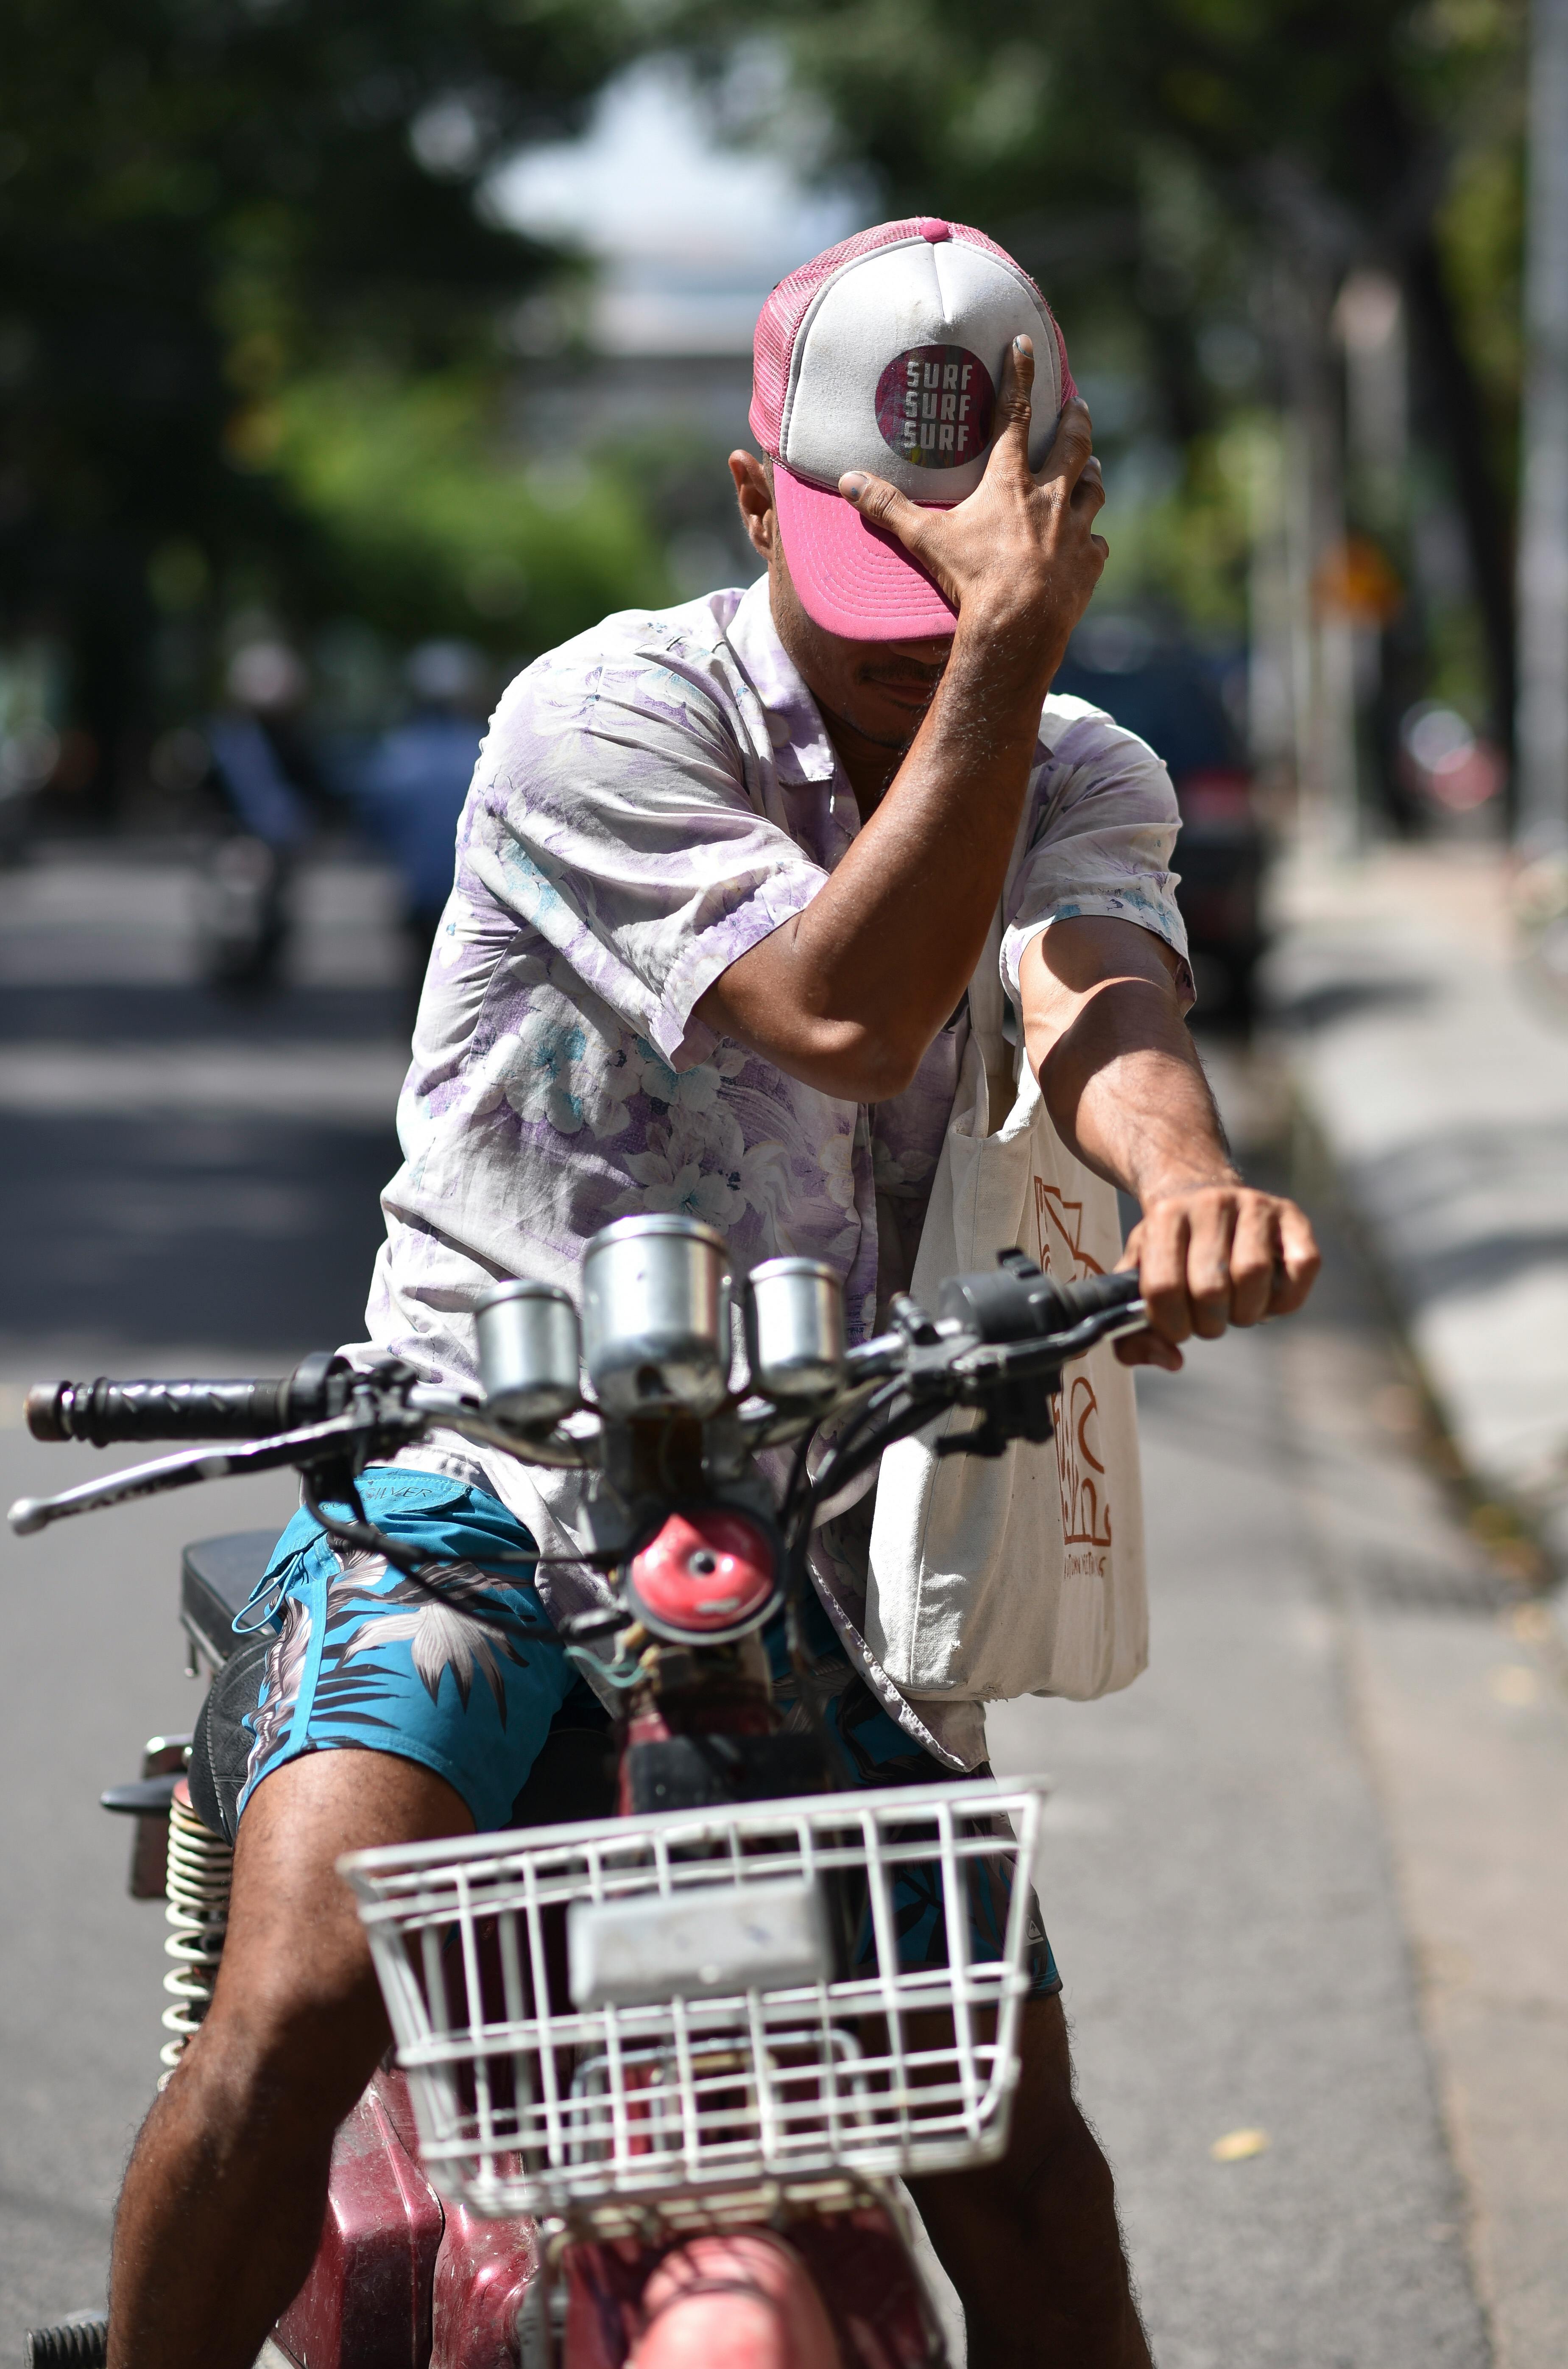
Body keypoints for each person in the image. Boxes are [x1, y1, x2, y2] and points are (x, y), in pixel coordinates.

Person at [107, 218, 1320, 2369]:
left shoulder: (1084, 765)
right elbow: (844, 1013)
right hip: (473, 1475)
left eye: (975, 590)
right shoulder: (605, 716)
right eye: (888, 590)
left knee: (1025, 2167)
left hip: (808, 1532)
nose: (926, 650)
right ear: (754, 496)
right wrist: (1002, 652)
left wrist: (1191, 1179)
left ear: (1066, 522)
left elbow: (1094, 985)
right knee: (297, 1999)